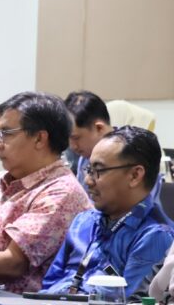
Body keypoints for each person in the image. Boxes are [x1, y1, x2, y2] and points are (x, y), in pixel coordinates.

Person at [0, 92, 91, 293]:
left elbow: (12, 264)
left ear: (39, 138)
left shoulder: (61, 192)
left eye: (5, 134)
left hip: (5, 303)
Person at [42, 126, 173, 295]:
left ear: (135, 175)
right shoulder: (83, 222)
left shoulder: (155, 235)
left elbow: (127, 304)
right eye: (88, 170)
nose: (88, 181)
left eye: (98, 171)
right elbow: (48, 284)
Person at [65, 91, 114, 189]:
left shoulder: (127, 155)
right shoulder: (85, 156)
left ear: (99, 128)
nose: (73, 146)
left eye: (76, 138)